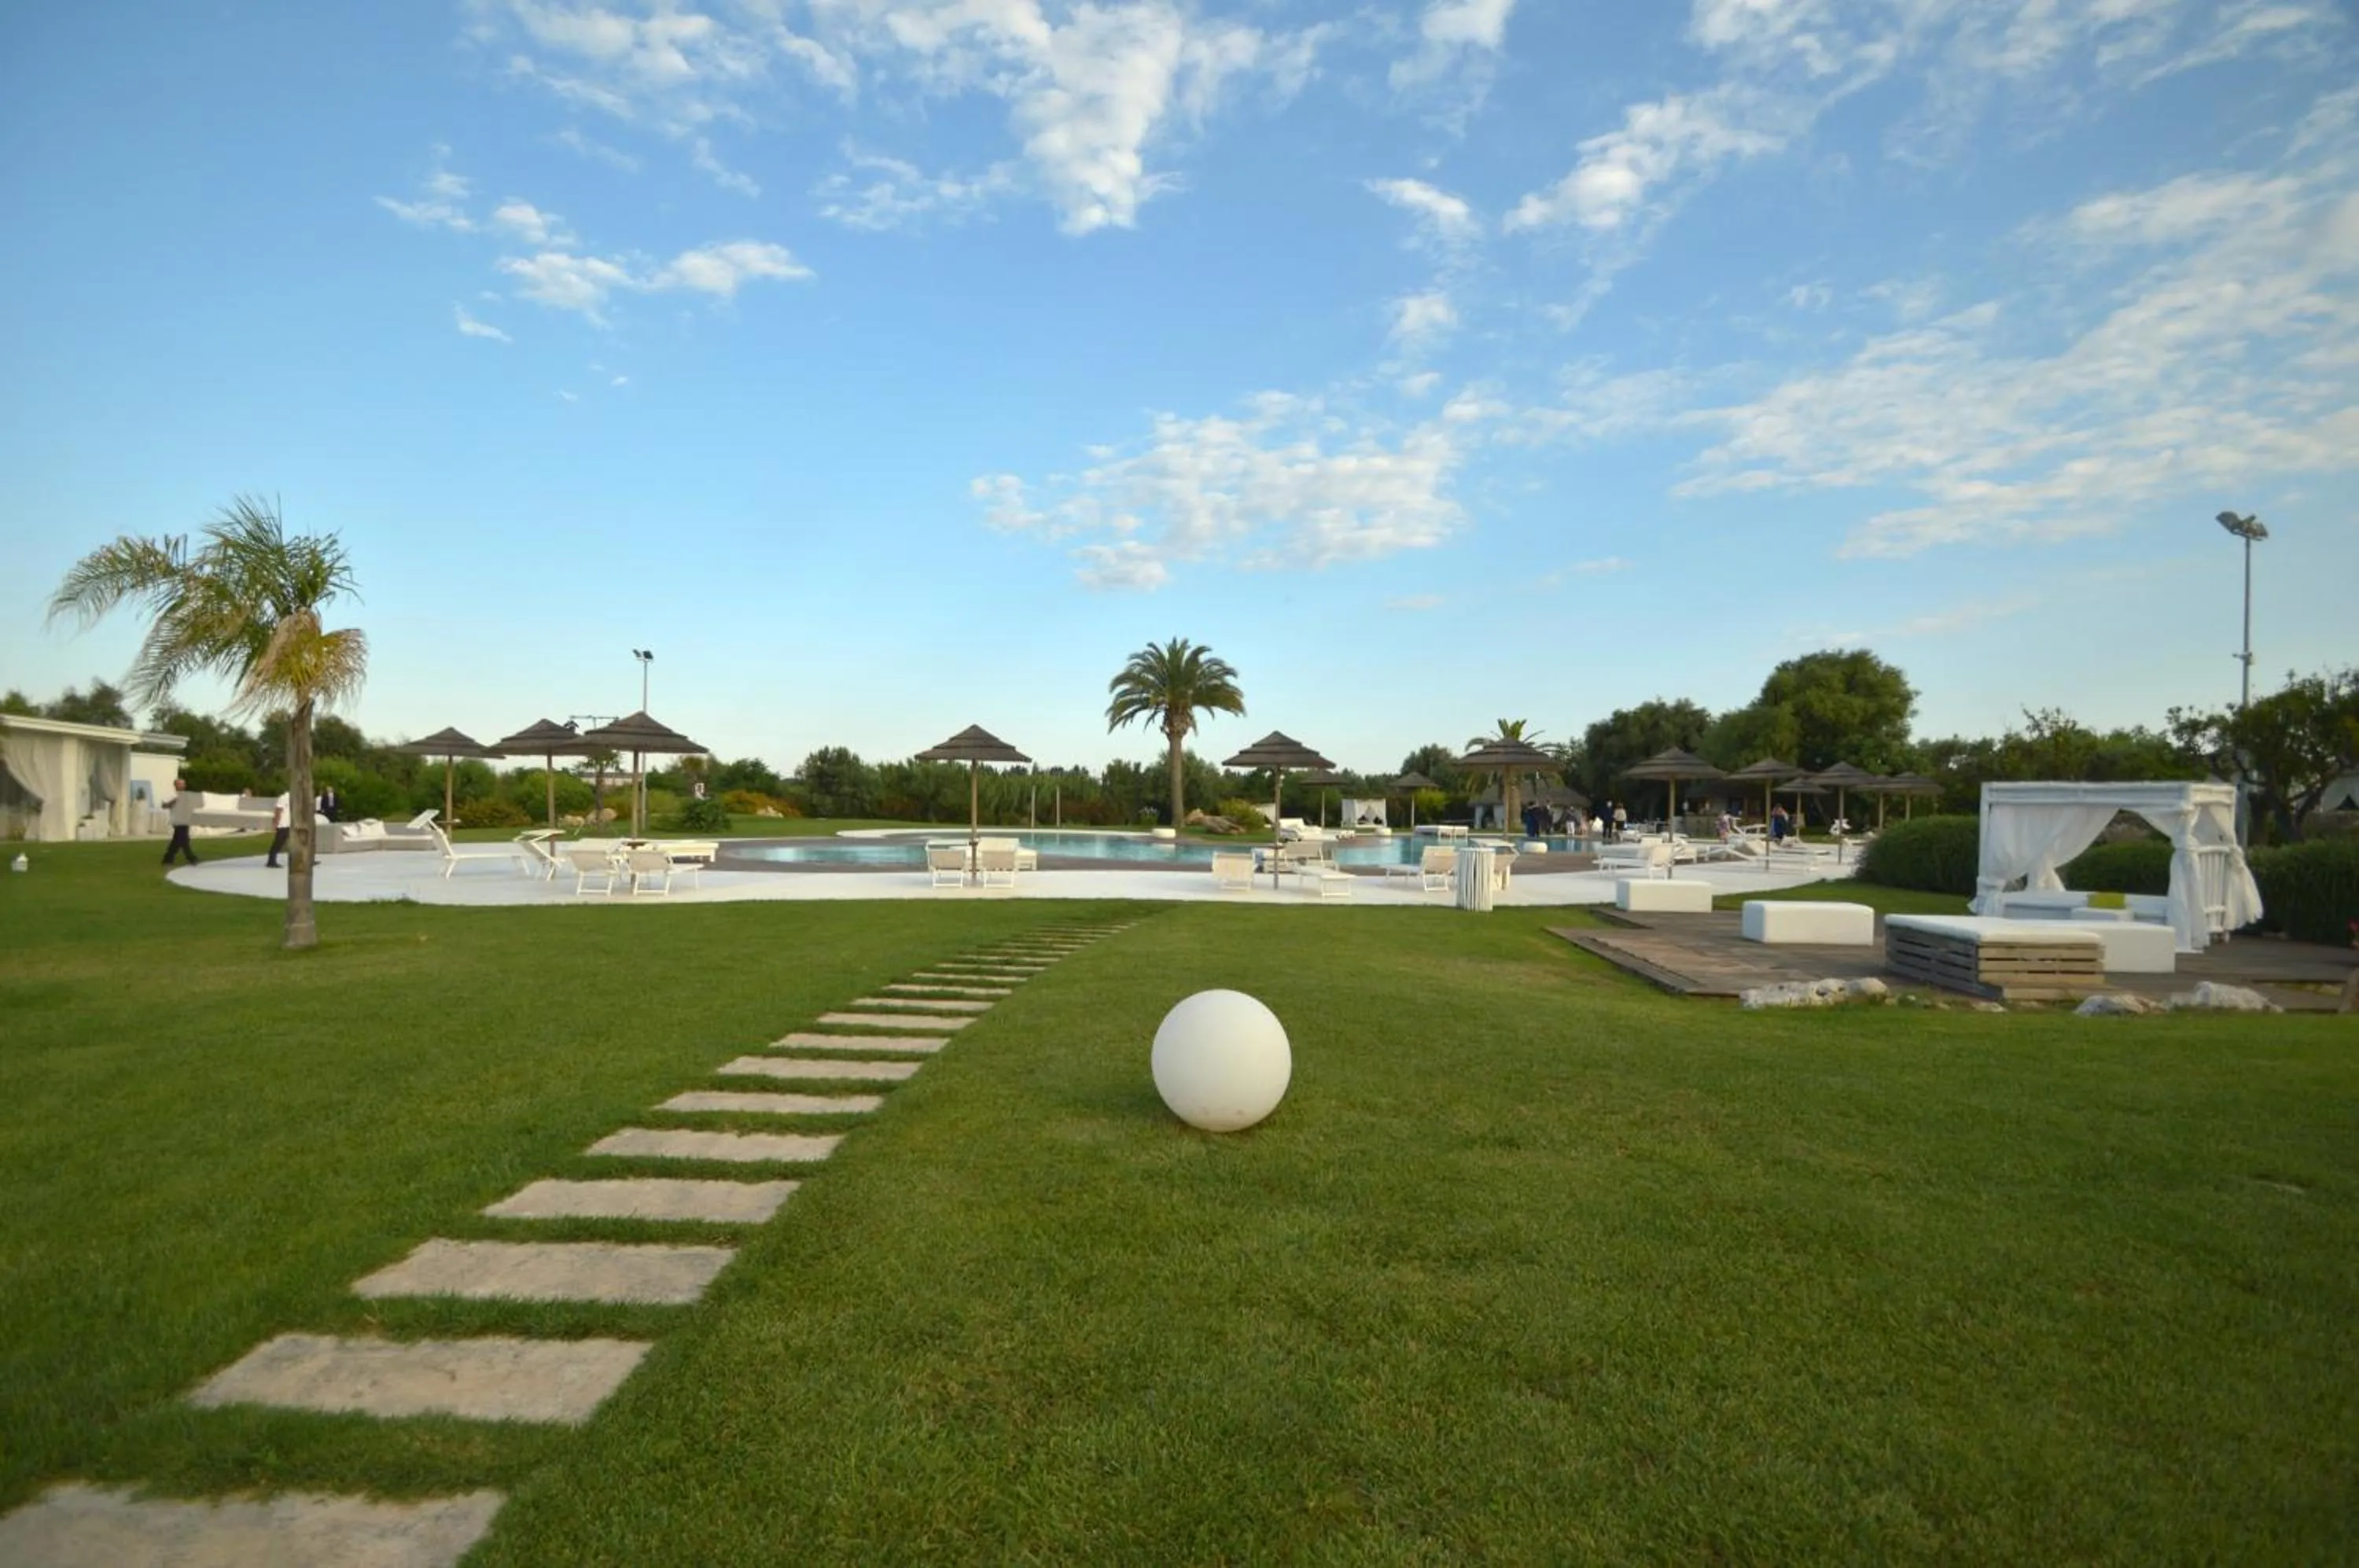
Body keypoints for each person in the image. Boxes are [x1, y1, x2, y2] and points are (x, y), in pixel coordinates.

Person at [160, 778, 199, 867]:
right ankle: (191, 858)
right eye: (180, 784)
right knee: (184, 839)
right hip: (177, 820)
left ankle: (168, 859)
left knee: (177, 840)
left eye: (183, 784)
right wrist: (174, 801)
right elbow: (164, 806)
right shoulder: (171, 795)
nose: (183, 786)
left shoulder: (187, 795)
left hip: (186, 819)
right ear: (176, 785)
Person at [264, 793, 291, 869]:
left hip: (289, 824)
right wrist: (276, 823)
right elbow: (278, 811)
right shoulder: (284, 798)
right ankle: (271, 861)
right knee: (278, 843)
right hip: (283, 824)